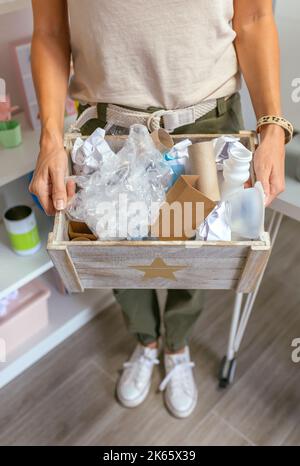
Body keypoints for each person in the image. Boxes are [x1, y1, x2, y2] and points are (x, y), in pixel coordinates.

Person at [30, 0, 289, 418]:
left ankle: (177, 343)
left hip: (207, 124)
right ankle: (146, 340)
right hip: (109, 127)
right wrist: (49, 139)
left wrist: (273, 125)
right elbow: (49, 31)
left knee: (201, 253)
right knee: (122, 256)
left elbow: (256, 17)